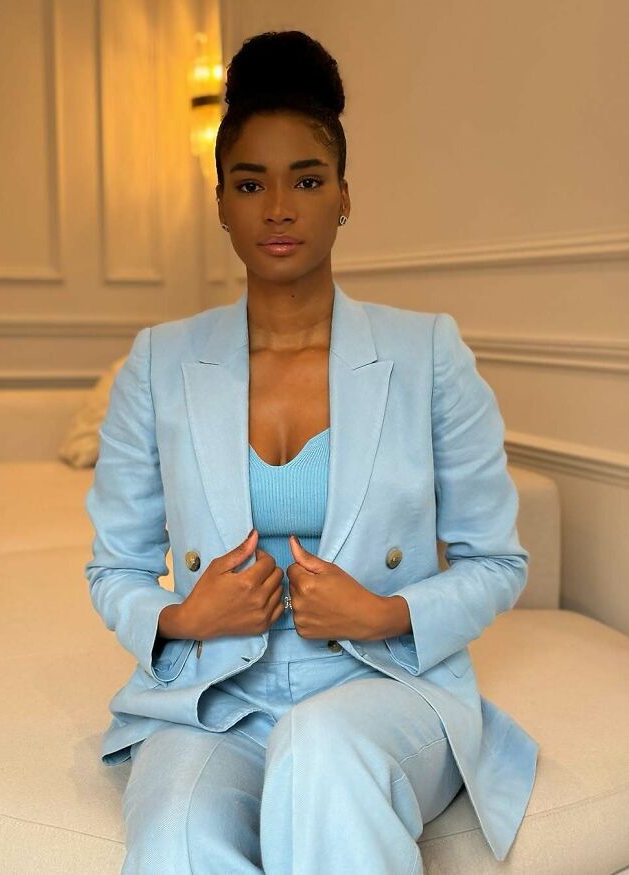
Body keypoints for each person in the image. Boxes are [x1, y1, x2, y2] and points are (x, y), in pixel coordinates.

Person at [84, 30, 539, 875]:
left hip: (382, 687)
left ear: (344, 196)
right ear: (220, 201)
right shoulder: (159, 363)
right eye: (251, 184)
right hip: (213, 697)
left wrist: (387, 613)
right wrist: (186, 617)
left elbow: (496, 560)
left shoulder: (427, 353)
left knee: (322, 750)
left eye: (307, 179)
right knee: (174, 839)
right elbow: (112, 567)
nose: (279, 208)